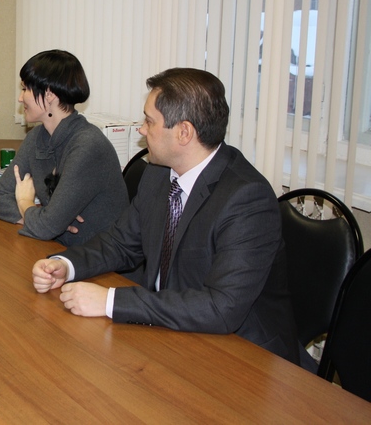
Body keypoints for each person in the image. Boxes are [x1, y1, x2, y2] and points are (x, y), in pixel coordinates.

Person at [32, 68, 304, 366]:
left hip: (243, 356)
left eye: (149, 121)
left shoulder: (246, 199)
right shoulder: (159, 174)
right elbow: (120, 243)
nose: (141, 129)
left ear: (184, 132)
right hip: (172, 333)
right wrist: (66, 265)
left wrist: (111, 301)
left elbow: (221, 307)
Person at [0, 50, 128, 246]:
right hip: (61, 249)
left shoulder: (88, 146)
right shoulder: (37, 137)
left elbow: (45, 227)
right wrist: (43, 220)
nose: (21, 98)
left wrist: (24, 202)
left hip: (103, 264)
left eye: (25, 89)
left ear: (49, 94)